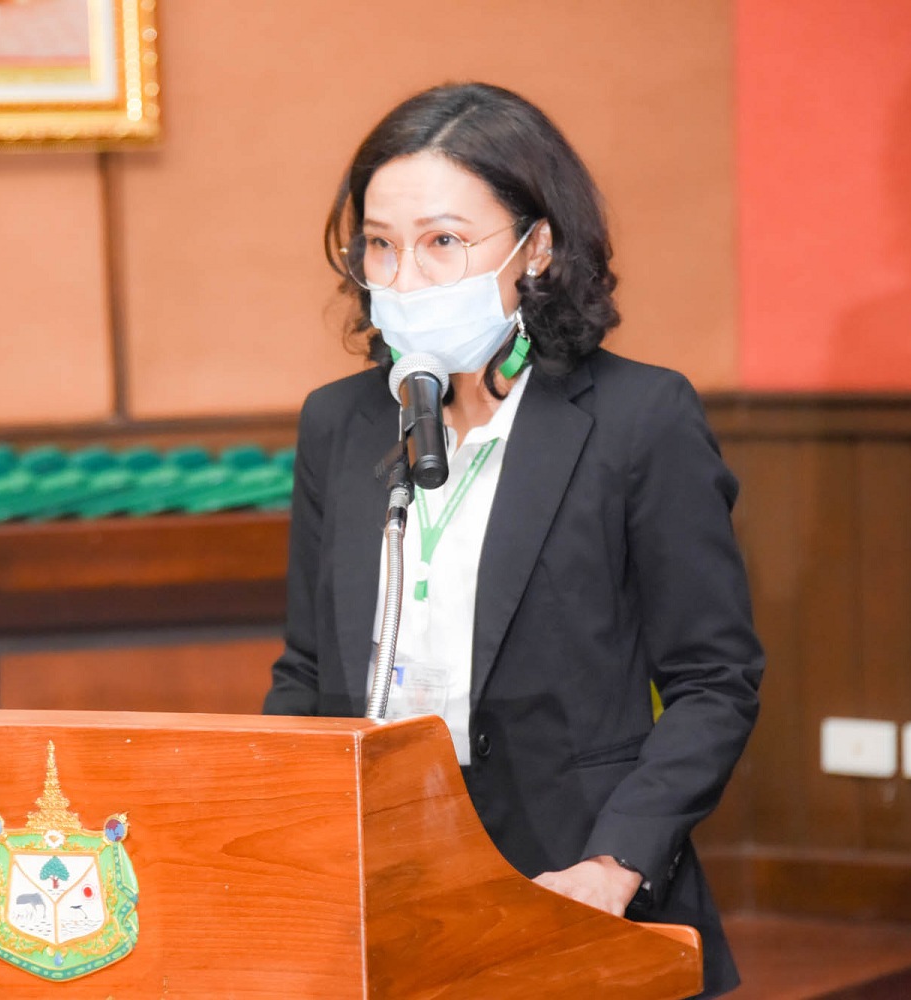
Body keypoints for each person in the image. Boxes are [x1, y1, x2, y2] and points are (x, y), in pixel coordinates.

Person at [263, 82, 763, 999]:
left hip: (578, 886)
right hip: (376, 892)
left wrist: (615, 864)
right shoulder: (339, 424)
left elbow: (714, 682)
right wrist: (278, 841)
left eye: (442, 243)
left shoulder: (638, 419)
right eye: (380, 245)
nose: (404, 279)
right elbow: (306, 670)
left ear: (537, 246)